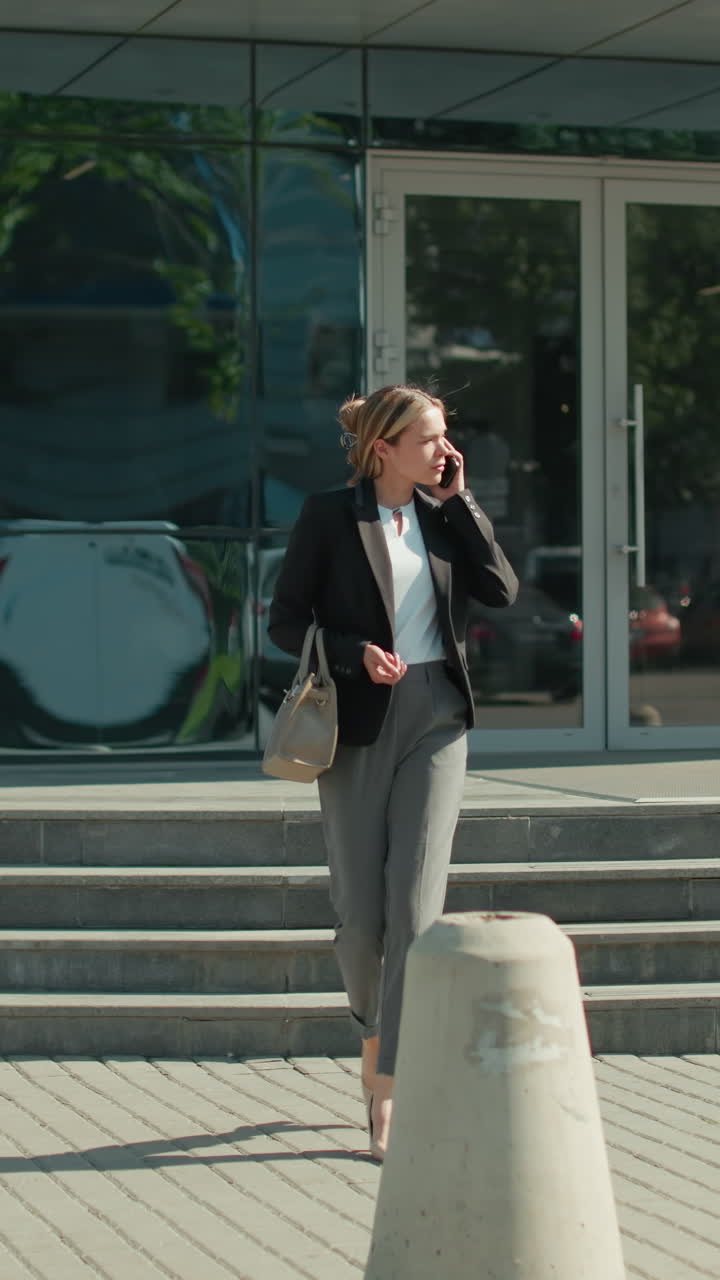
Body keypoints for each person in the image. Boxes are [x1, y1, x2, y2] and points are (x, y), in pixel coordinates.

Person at [268, 384, 518, 1160]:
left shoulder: (447, 520)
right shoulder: (329, 518)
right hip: (358, 724)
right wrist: (352, 652)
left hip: (437, 717)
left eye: (447, 437)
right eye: (430, 439)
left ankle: (390, 1088)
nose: (444, 450)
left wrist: (463, 502)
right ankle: (374, 1039)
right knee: (363, 924)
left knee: (414, 914)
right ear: (383, 449)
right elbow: (284, 620)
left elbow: (502, 591)